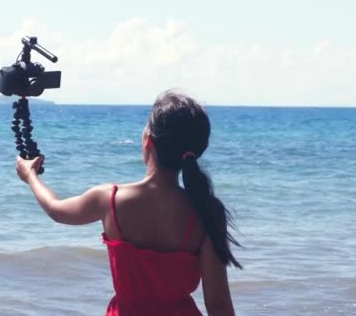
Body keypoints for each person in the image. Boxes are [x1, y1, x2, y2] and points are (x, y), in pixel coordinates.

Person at [16, 90, 241, 315]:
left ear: (147, 141)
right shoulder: (207, 210)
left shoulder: (111, 200)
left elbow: (57, 210)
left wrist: (31, 177)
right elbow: (218, 302)